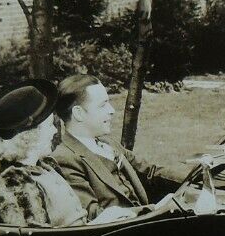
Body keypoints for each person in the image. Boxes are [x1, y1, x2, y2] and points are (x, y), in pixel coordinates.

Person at [50, 73, 187, 222]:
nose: (112, 110)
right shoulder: (64, 159)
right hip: (122, 231)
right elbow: (93, 215)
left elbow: (149, 172)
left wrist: (195, 175)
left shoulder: (106, 142)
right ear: (79, 113)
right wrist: (155, 209)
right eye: (103, 105)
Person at [0, 79, 87, 227]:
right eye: (50, 125)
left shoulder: (45, 167)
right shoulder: (15, 184)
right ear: (30, 137)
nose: (54, 131)